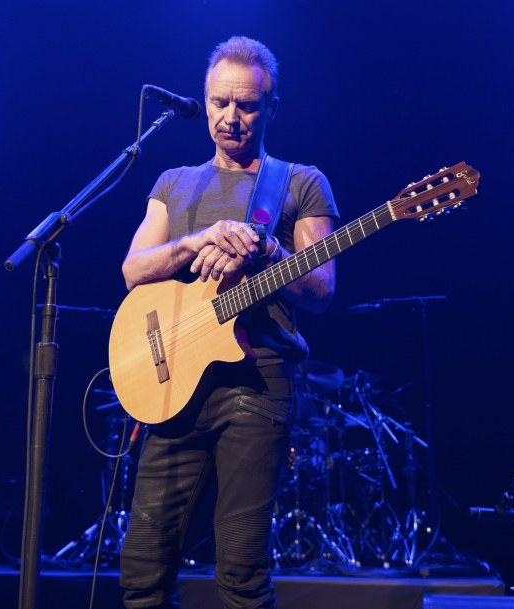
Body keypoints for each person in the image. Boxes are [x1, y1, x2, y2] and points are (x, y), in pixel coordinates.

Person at [117, 36, 338, 608]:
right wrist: (196, 242)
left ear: (271, 109)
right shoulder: (172, 182)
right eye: (219, 103)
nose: (230, 118)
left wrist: (267, 252)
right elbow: (133, 270)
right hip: (174, 385)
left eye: (246, 106)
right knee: (142, 567)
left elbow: (320, 290)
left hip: (257, 387)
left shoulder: (298, 181)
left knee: (240, 573)